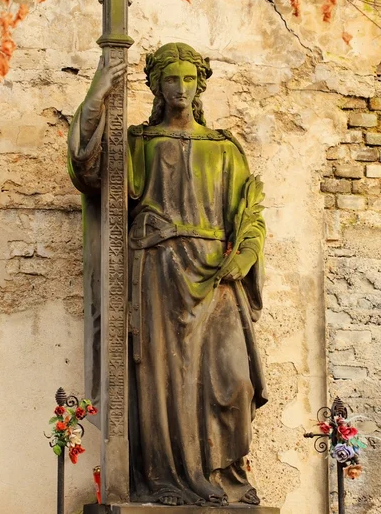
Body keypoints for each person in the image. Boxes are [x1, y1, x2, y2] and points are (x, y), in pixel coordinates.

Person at [68, 43, 267, 506]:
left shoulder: (224, 149)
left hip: (218, 275)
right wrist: (100, 90)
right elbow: (88, 166)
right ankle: (163, 479)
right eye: (170, 79)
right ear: (156, 86)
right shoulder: (138, 142)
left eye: (188, 79)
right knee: (163, 381)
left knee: (234, 381)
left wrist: (245, 255)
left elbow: (250, 214)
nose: (180, 87)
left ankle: (222, 476)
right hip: (157, 270)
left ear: (201, 84)